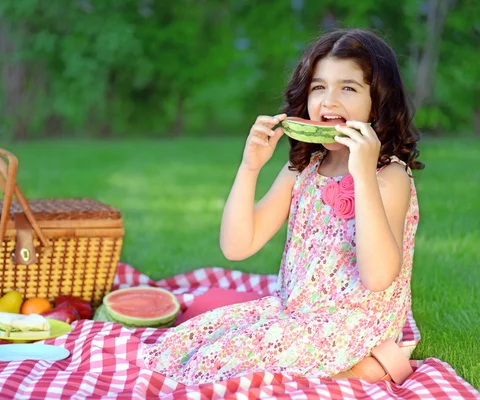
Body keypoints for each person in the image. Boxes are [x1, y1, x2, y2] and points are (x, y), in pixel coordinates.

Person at [139, 28, 424, 385]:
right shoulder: (304, 169)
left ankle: (370, 362)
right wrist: (250, 167)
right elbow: (237, 246)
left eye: (348, 88)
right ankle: (345, 370)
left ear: (378, 101)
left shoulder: (389, 175)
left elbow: (378, 276)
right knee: (184, 343)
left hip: (352, 324)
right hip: (295, 312)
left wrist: (362, 177)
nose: (329, 101)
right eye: (319, 87)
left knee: (219, 361)